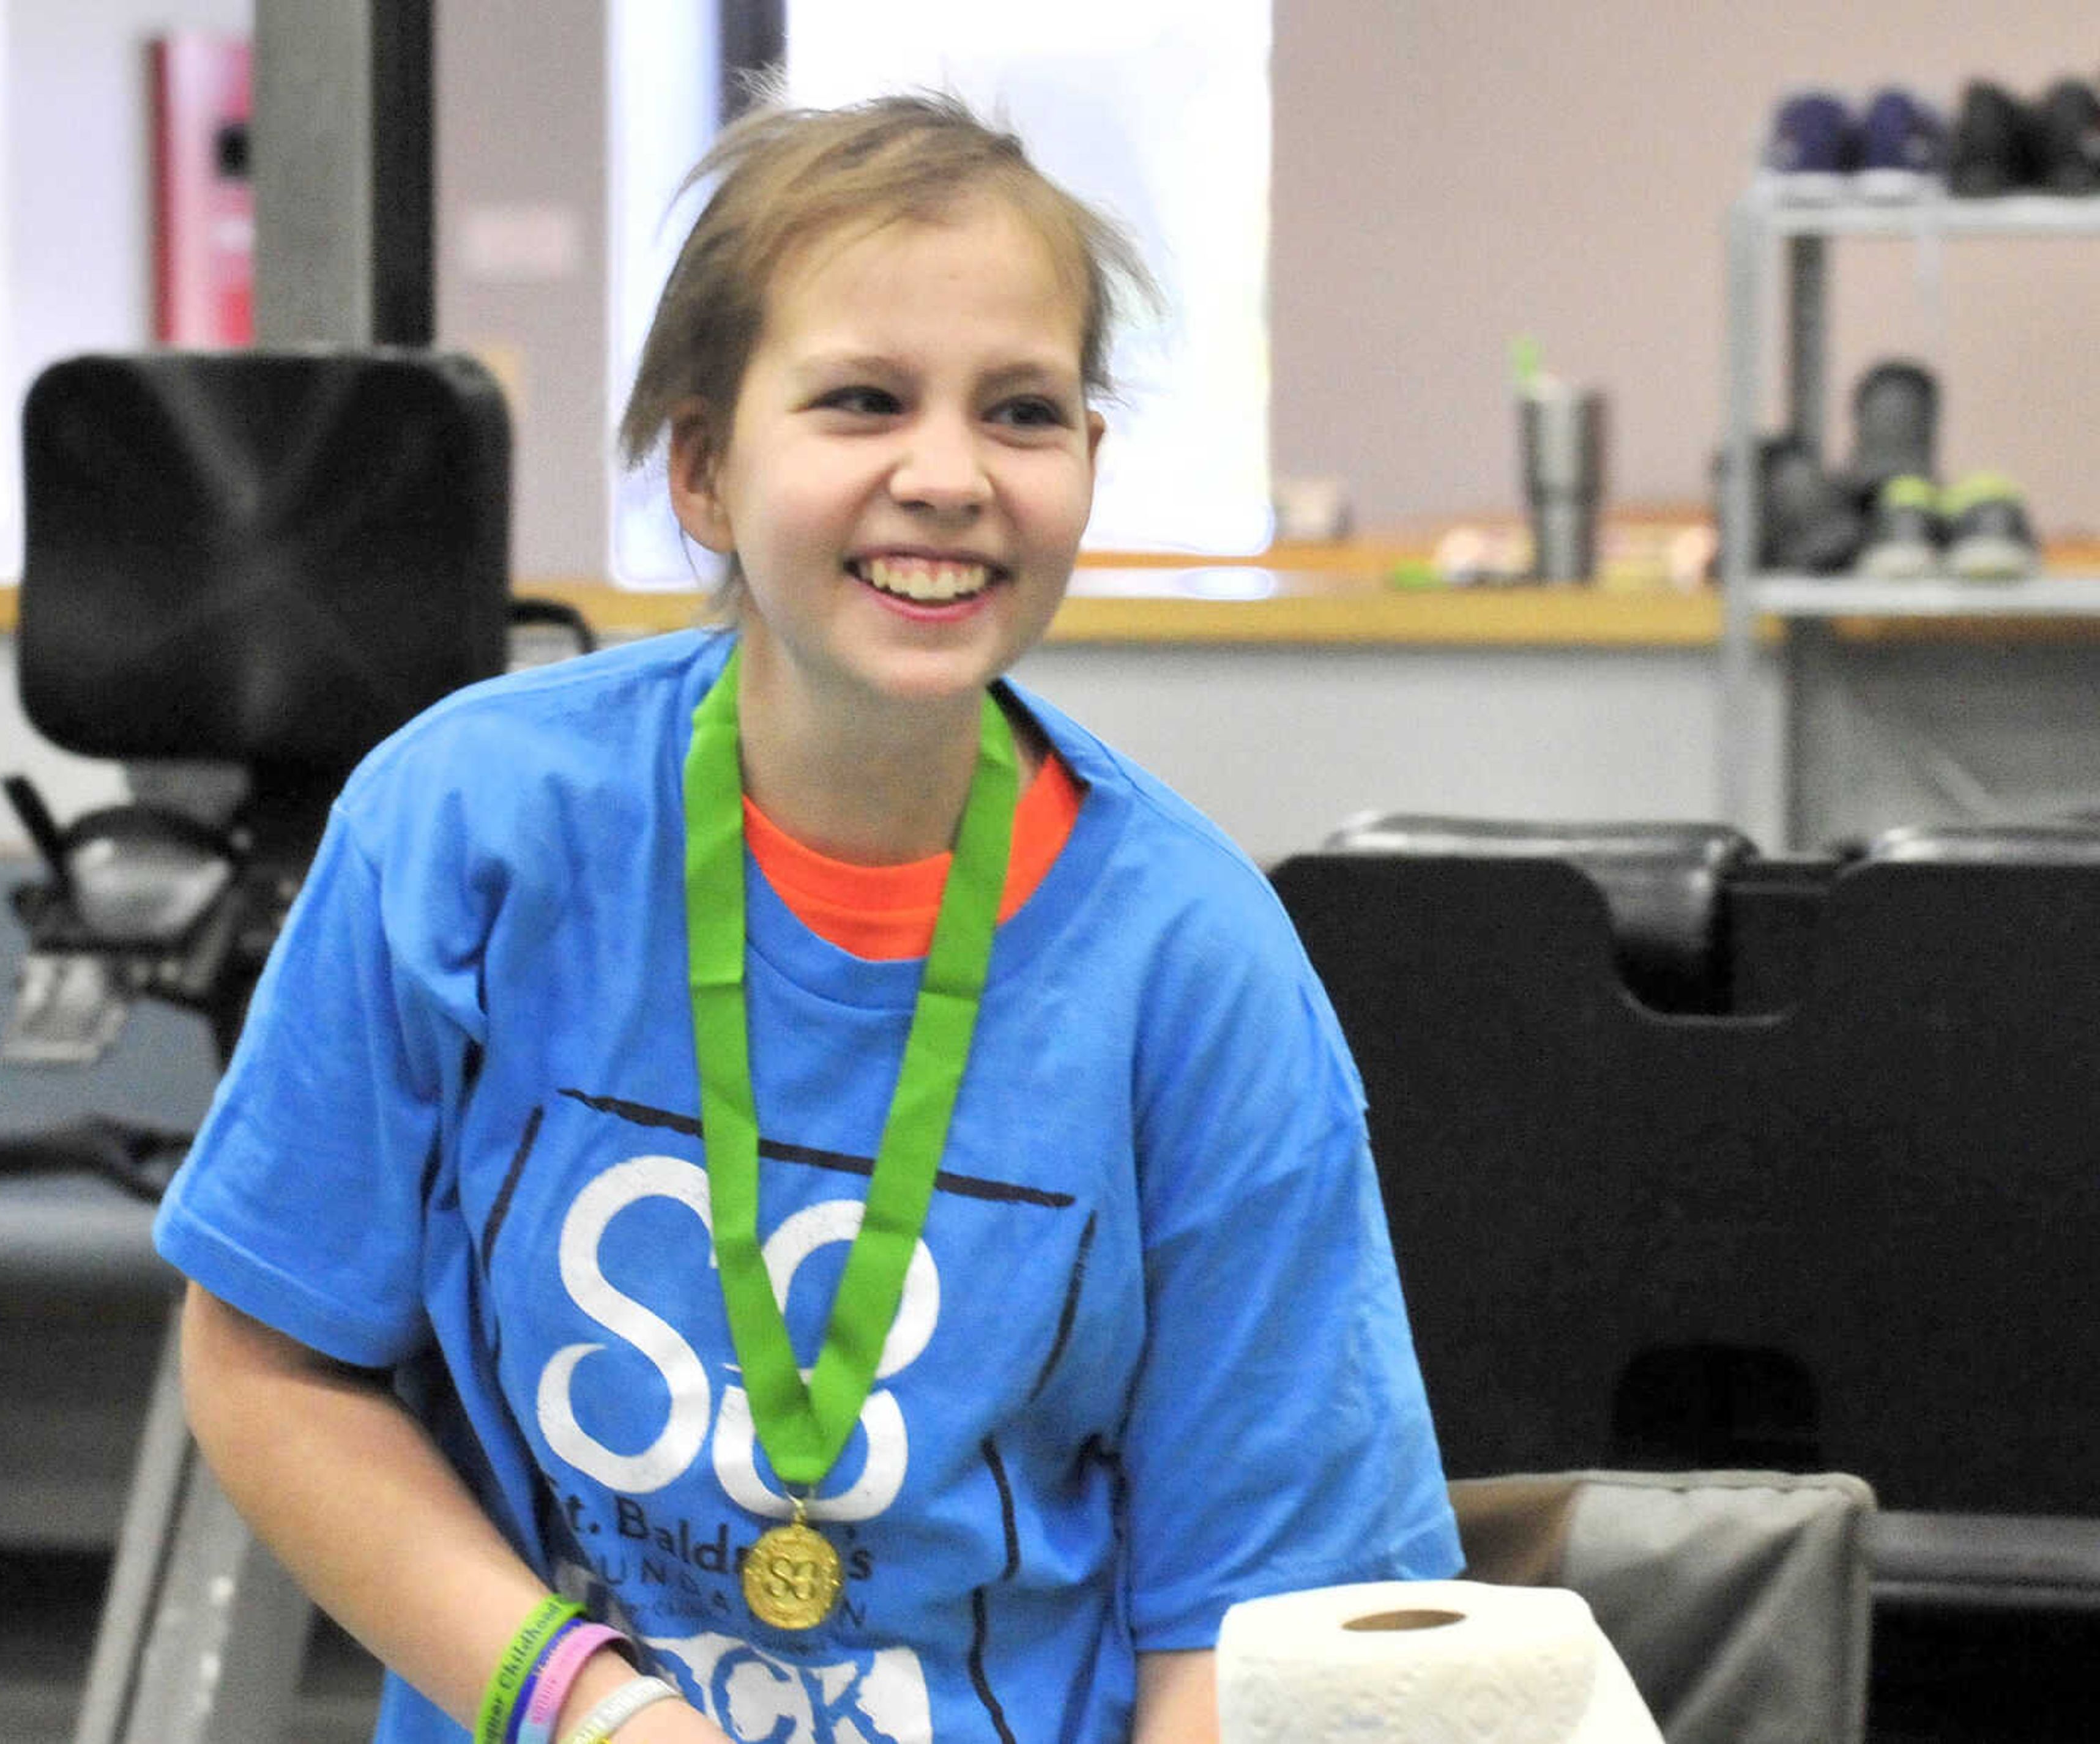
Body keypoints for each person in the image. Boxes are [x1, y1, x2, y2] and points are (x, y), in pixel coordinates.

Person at [155, 91, 1460, 1744]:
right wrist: (595, 1710)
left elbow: (1251, 1616)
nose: (947, 475)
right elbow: (269, 1369)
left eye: (1022, 412)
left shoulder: (1197, 971)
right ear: (702, 467)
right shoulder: (469, 833)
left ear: (1086, 466)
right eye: (861, 400)